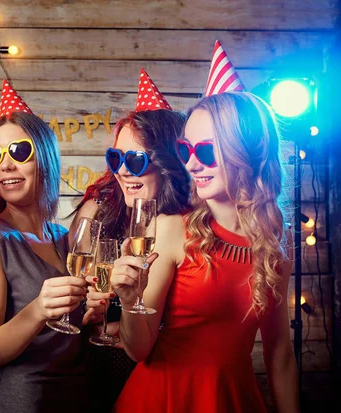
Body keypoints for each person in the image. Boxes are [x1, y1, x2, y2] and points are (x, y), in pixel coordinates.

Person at [111, 48, 299, 412]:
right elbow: (139, 350)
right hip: (163, 398)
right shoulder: (171, 230)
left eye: (207, 151)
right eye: (186, 149)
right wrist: (130, 300)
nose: (193, 163)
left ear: (247, 150)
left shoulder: (277, 240)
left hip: (233, 399)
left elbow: (280, 353)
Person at [71, 69, 190, 412]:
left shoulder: (189, 224)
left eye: (136, 160)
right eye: (115, 158)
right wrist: (88, 306)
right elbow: (76, 306)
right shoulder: (100, 213)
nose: (122, 171)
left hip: (162, 379)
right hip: (96, 369)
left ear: (169, 162)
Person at [0, 81, 88, 413]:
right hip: (21, 404)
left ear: (45, 157)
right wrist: (38, 310)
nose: (5, 165)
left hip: (76, 399)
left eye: (20, 152)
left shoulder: (66, 238)